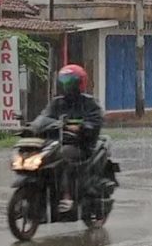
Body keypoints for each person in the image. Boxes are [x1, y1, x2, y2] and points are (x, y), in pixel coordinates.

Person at [34, 64, 104, 213]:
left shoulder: (89, 103)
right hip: (56, 142)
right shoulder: (57, 102)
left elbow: (95, 121)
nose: (67, 86)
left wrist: (83, 127)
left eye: (71, 82)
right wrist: (33, 126)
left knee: (62, 155)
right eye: (64, 81)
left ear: (80, 83)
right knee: (38, 156)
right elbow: (44, 117)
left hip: (81, 145)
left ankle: (67, 196)